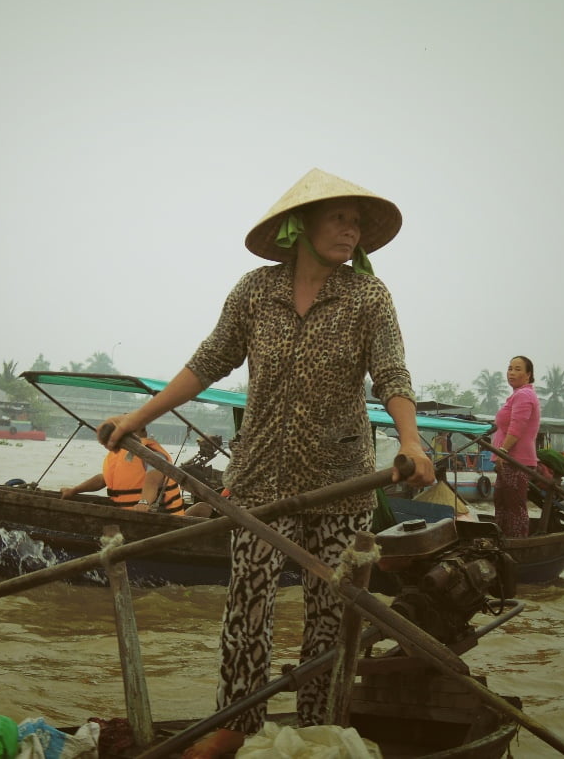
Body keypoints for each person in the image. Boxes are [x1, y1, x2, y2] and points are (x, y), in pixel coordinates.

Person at [96, 168, 434, 757]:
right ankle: (238, 725)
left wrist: (412, 442)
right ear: (298, 225)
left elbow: (392, 373)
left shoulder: (367, 297)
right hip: (258, 480)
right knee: (245, 606)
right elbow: (207, 362)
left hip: (340, 482)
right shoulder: (256, 290)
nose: (350, 231)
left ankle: (316, 729)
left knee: (331, 610)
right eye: (338, 218)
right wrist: (136, 419)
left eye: (357, 222)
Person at [61, 426, 202, 516]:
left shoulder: (153, 454)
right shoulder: (122, 454)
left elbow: (152, 481)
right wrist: (74, 490)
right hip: (127, 514)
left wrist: (144, 502)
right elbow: (103, 479)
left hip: (162, 517)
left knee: (203, 508)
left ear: (139, 432)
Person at [491, 355, 542, 539]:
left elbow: (517, 426)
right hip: (507, 460)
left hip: (516, 460)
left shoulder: (524, 395)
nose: (512, 372)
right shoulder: (516, 395)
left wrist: (502, 453)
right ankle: (502, 540)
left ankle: (517, 543)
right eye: (510, 368)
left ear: (528, 375)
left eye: (518, 369)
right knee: (502, 503)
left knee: (514, 506)